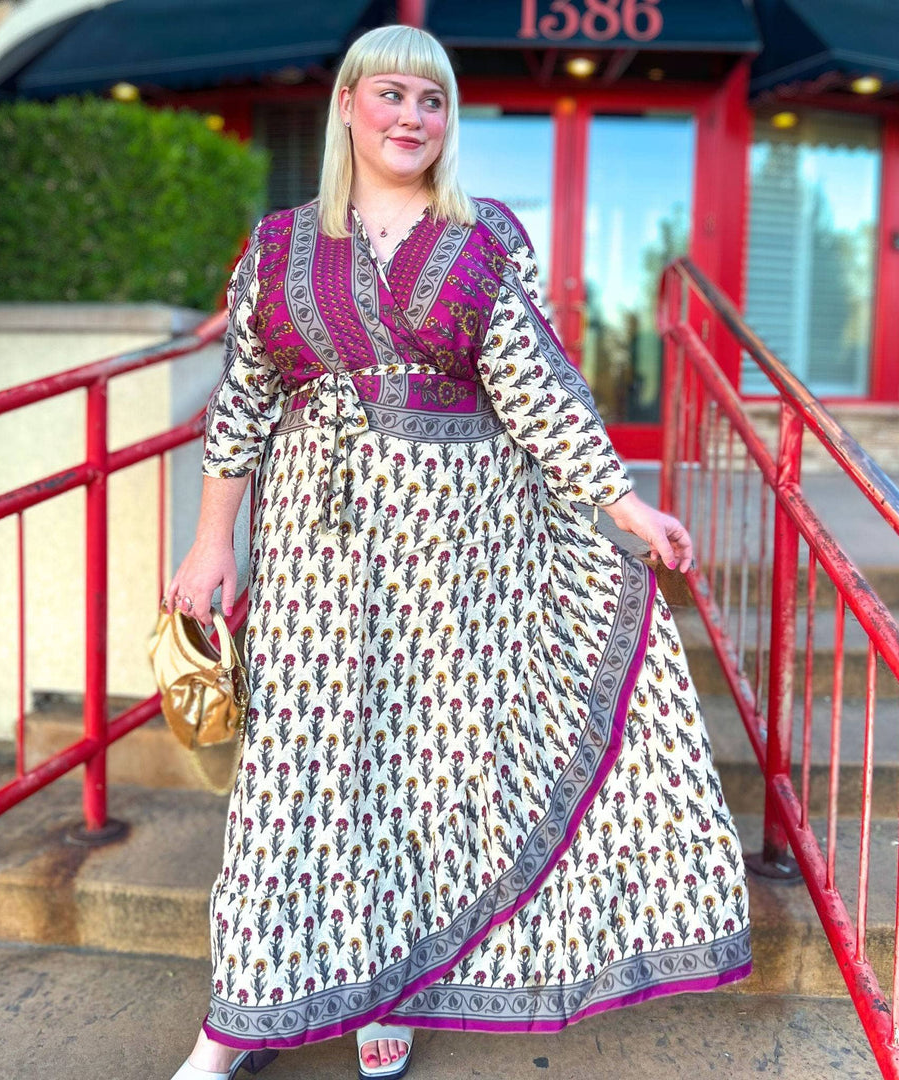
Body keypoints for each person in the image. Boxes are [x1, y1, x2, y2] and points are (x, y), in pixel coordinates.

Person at [164, 23, 752, 1080]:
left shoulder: (485, 240)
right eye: (390, 95)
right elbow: (243, 400)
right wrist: (215, 542)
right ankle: (240, 1011)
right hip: (318, 550)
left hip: (461, 557)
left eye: (432, 102)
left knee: (425, 768)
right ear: (347, 104)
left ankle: (391, 987)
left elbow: (537, 388)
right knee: (300, 764)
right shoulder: (279, 245)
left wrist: (624, 505)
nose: (411, 118)